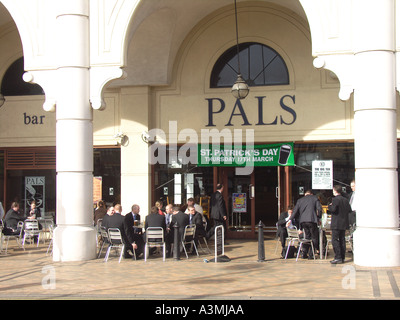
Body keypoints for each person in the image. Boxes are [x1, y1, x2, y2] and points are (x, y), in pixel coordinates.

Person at [286, 190, 322, 259]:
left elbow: (295, 211)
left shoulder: (300, 200)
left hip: (303, 221)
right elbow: (319, 209)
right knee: (314, 237)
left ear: (305, 194)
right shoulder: (315, 198)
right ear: (311, 194)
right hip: (312, 220)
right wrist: (318, 218)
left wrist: (290, 220)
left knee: (307, 237)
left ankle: (304, 253)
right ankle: (311, 255)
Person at [328, 185, 352, 264]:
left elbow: (333, 209)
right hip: (344, 223)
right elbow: (349, 210)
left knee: (335, 240)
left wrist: (329, 206)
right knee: (342, 240)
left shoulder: (335, 199)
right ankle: (342, 257)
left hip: (336, 223)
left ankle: (338, 257)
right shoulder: (345, 200)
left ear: (335, 191)